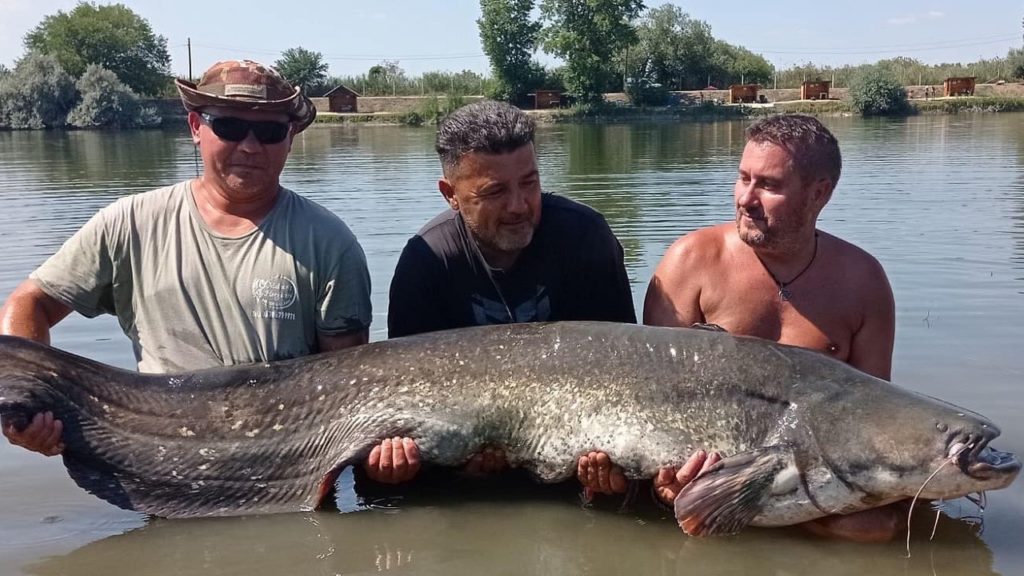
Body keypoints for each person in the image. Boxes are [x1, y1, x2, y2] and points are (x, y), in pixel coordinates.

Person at [0, 60, 403, 486]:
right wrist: (26, 404)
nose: (250, 147)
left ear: (290, 139)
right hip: (163, 467)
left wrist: (382, 457)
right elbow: (30, 303)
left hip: (288, 477)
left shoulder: (330, 241)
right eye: (229, 127)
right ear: (196, 127)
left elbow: (349, 384)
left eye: (268, 132)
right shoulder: (128, 223)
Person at [644, 114, 899, 541]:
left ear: (819, 193)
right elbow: (648, 397)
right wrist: (665, 481)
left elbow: (871, 420)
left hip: (808, 481)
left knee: (873, 528)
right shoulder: (690, 262)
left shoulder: (863, 282)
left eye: (769, 185)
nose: (746, 198)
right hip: (702, 473)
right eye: (743, 178)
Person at [375, 100, 641, 495]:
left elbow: (625, 369)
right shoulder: (428, 260)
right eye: (495, 191)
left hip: (575, 449)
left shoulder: (586, 238)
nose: (519, 206)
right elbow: (407, 400)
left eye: (529, 182)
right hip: (465, 464)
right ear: (450, 194)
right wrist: (416, 462)